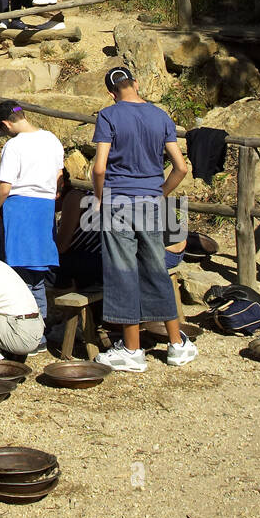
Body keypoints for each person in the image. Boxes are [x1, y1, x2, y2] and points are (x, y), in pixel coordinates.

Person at [92, 67, 197, 371]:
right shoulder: (160, 116)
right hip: (150, 200)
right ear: (136, 84)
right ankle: (177, 345)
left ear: (111, 92)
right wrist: (160, 192)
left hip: (118, 202)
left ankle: (132, 349)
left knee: (121, 269)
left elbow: (100, 168)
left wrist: (99, 199)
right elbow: (180, 167)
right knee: (156, 267)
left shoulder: (109, 115)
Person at [0, 101, 62, 349]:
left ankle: (29, 338)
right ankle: (38, 334)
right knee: (37, 277)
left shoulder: (14, 146)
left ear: (5, 123)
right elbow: (59, 177)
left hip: (20, 211)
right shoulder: (51, 139)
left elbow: (4, 187)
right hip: (45, 209)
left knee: (19, 279)